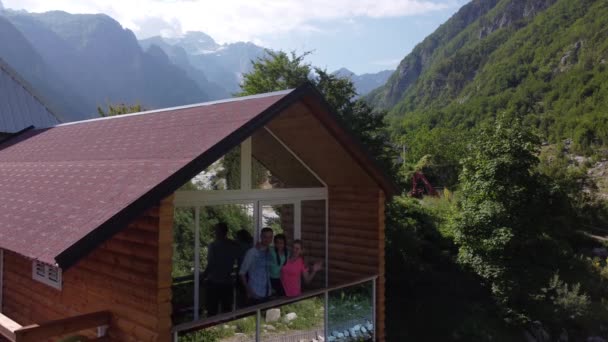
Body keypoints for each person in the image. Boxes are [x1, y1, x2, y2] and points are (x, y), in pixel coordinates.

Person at [202, 222, 237, 316]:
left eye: (216, 231)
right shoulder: (233, 244)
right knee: (227, 309)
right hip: (227, 280)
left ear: (218, 232)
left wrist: (203, 276)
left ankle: (211, 328)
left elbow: (211, 264)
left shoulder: (213, 245)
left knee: (212, 309)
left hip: (215, 281)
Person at [239, 227, 273, 304]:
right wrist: (249, 291)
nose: (267, 239)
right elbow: (242, 273)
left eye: (270, 237)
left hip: (268, 293)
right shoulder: (252, 252)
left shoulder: (270, 252)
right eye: (265, 237)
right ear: (261, 237)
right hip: (255, 293)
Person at [235, 229, 254, 308]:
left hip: (244, 273)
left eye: (237, 237)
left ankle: (243, 311)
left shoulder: (240, 246)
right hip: (251, 273)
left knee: (242, 295)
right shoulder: (252, 245)